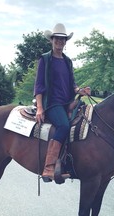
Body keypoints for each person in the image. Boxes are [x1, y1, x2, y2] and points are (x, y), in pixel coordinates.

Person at [34, 23, 90, 182]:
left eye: (62, 39)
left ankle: (70, 161)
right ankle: (48, 168)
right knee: (64, 125)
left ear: (66, 42)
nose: (59, 42)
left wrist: (80, 91)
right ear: (51, 40)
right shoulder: (45, 59)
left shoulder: (67, 61)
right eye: (57, 39)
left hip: (68, 102)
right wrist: (39, 107)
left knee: (84, 120)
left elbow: (72, 84)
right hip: (52, 103)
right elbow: (39, 85)